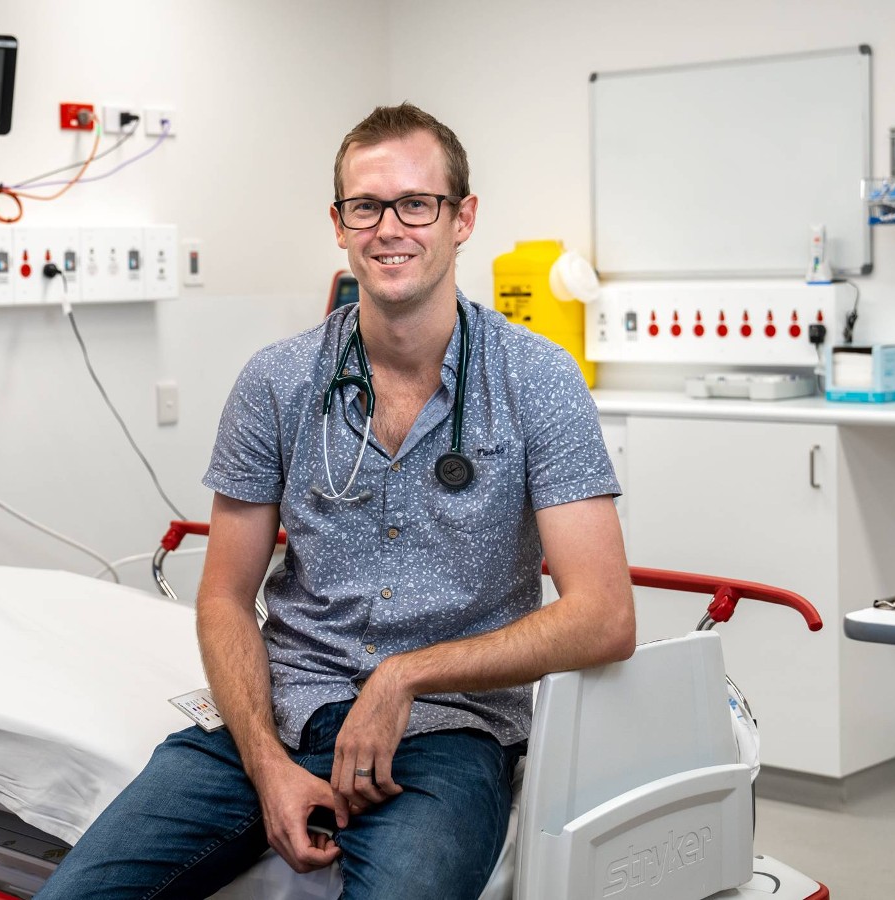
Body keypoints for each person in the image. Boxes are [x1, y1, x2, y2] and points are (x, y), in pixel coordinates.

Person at [36, 103, 634, 900]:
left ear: (464, 220)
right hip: (281, 714)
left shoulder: (536, 381)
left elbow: (604, 615)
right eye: (366, 206)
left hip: (446, 734)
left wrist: (403, 680)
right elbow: (222, 596)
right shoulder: (278, 382)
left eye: (417, 204)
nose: (390, 228)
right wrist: (266, 763)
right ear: (340, 223)